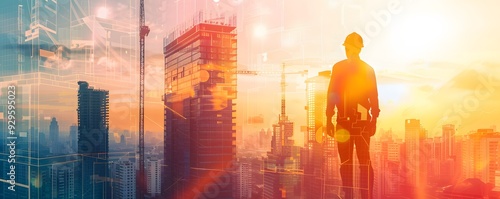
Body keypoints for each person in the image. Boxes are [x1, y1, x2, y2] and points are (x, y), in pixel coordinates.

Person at [326, 32, 380, 199]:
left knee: (350, 164)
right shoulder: (367, 69)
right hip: (358, 122)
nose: (346, 50)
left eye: (347, 47)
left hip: (347, 122)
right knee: (360, 164)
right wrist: (373, 120)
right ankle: (361, 196)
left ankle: (351, 195)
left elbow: (332, 94)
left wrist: (329, 119)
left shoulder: (340, 68)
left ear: (351, 48)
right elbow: (373, 97)